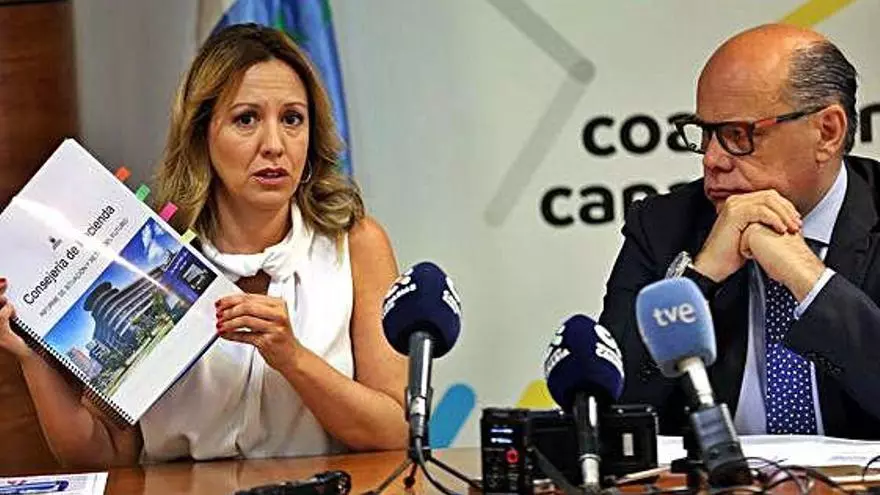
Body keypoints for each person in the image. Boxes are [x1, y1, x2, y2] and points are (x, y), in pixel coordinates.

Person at [0, 24, 408, 467]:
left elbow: (395, 431)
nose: (274, 145)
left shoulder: (357, 246)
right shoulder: (151, 249)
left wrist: (292, 359)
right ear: (201, 134)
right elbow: (103, 457)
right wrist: (32, 356)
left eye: (292, 119)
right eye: (246, 119)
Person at [599, 23, 880, 439]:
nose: (712, 159)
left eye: (738, 135)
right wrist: (699, 280)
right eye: (706, 134)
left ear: (827, 132)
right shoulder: (662, 227)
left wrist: (810, 280)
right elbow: (610, 410)